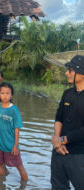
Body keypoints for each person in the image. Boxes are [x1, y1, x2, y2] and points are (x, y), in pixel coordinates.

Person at [51, 55, 84, 189]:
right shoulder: (67, 93)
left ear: (81, 73)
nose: (66, 73)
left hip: (79, 154)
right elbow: (59, 117)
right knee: (58, 186)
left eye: (70, 70)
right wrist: (57, 140)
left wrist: (62, 139)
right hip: (59, 152)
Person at [0, 82, 28, 181]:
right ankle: (0, 184)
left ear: (11, 95)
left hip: (11, 145)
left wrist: (16, 145)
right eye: (2, 93)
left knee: (19, 166)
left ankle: (25, 183)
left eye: (7, 93)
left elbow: (16, 128)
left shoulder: (14, 109)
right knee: (0, 165)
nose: (5, 96)